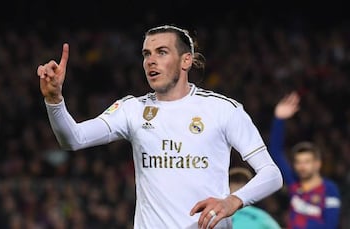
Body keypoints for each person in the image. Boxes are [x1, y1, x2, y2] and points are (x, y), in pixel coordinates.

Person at [37, 24, 283, 229]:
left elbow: (271, 174)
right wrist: (54, 100)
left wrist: (233, 201)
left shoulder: (223, 110)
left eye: (161, 52)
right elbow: (73, 139)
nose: (151, 61)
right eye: (146, 54)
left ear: (186, 60)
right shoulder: (132, 110)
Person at [269, 91, 341, 229]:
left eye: (307, 162)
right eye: (298, 162)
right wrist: (279, 119)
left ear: (317, 164)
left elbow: (330, 225)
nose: (302, 166)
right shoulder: (294, 184)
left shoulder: (329, 189)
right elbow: (276, 153)